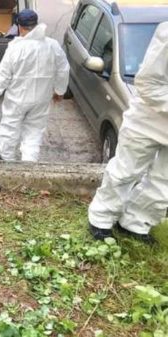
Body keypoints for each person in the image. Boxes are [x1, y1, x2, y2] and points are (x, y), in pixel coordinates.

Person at [88, 22, 168, 245]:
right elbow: (148, 83)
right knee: (125, 171)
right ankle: (100, 219)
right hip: (147, 121)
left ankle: (136, 223)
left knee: (164, 182)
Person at [0, 9, 70, 162]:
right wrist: (59, 91)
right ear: (36, 24)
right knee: (34, 133)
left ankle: (7, 164)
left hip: (17, 100)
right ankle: (29, 169)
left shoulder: (15, 48)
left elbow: (2, 76)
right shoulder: (52, 45)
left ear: (19, 27)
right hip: (41, 99)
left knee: (9, 131)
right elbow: (63, 69)